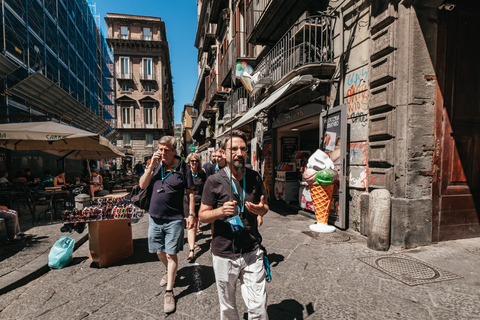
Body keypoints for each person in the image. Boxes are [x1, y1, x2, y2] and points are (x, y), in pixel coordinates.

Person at [199, 130, 269, 320]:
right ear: (223, 153)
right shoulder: (213, 181)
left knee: (259, 306)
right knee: (228, 307)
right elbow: (202, 216)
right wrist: (221, 211)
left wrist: (261, 210)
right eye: (234, 149)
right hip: (224, 253)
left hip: (251, 249)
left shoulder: (254, 177)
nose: (239, 153)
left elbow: (265, 207)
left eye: (243, 149)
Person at [139, 136, 195, 314]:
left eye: (165, 150)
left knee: (171, 254)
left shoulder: (183, 167)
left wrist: (191, 214)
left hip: (174, 219)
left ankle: (169, 292)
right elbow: (142, 185)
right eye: (159, 149)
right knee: (159, 252)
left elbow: (190, 193)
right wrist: (150, 167)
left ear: (174, 151)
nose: (162, 153)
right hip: (154, 217)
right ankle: (168, 271)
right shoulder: (155, 165)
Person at [184, 152, 206, 261]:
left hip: (200, 201)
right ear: (189, 162)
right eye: (192, 161)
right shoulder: (185, 173)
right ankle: (191, 250)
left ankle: (193, 241)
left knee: (196, 223)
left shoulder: (202, 173)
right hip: (188, 202)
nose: (194, 163)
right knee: (191, 225)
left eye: (196, 161)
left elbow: (205, 187)